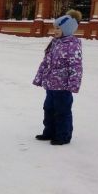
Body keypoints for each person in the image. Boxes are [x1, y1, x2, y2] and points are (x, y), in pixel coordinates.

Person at [32, 12, 83, 145]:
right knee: (48, 108)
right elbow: (45, 62)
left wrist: (73, 84)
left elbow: (76, 66)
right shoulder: (54, 43)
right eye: (54, 28)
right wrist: (39, 77)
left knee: (62, 111)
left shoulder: (72, 45)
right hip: (50, 84)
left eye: (58, 28)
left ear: (67, 29)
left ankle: (63, 136)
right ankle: (49, 132)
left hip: (63, 86)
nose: (55, 31)